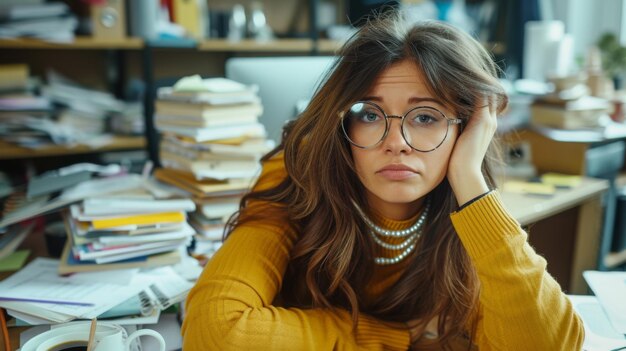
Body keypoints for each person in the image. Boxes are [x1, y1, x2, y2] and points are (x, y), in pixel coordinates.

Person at [182, 12, 584, 350]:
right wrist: (394, 336)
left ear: (467, 130)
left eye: (426, 117)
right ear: (342, 126)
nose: (397, 144)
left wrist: (468, 179)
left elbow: (548, 344)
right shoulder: (297, 180)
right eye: (370, 115)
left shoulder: (468, 209)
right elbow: (216, 331)